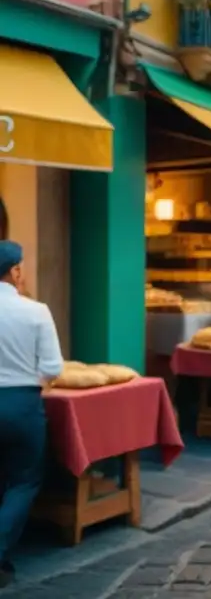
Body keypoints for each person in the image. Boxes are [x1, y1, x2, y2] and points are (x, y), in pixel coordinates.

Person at [0, 241, 64, 588]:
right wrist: (30, 385)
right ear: (16, 272)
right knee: (23, 481)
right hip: (22, 405)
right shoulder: (37, 311)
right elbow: (53, 367)